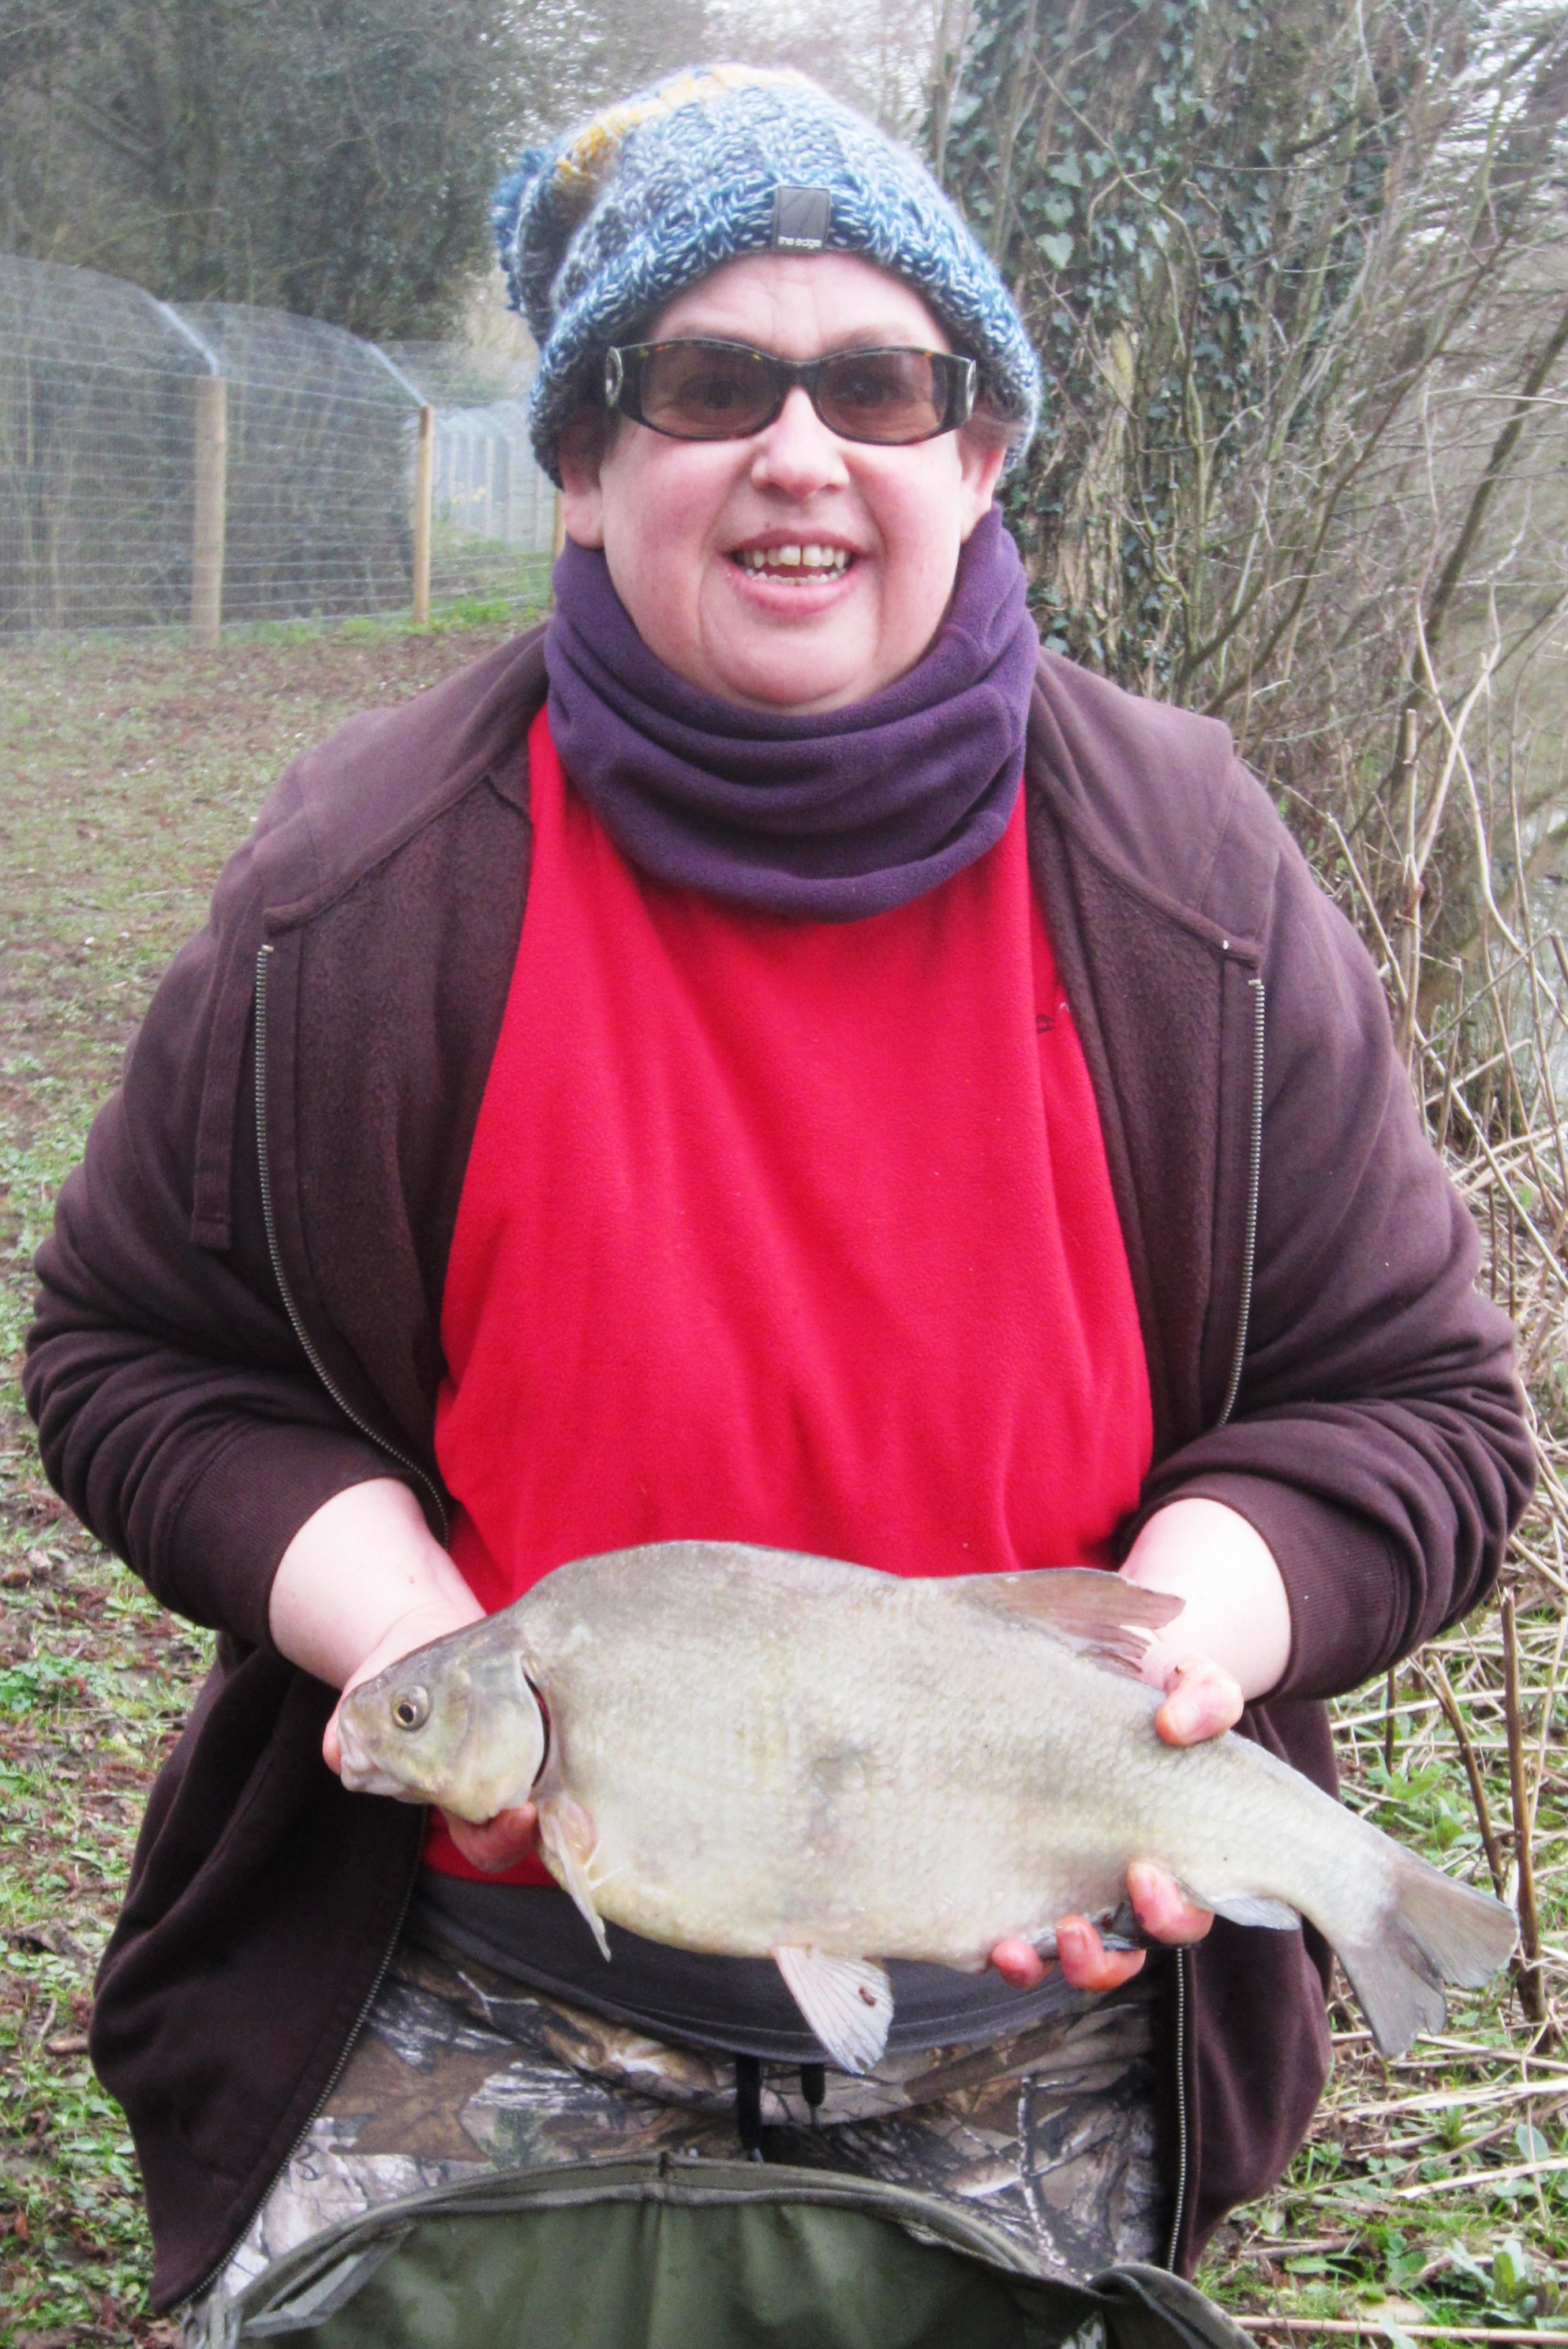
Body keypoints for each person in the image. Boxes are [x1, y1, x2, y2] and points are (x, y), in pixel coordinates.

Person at [24, 60, 1532, 2337]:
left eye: (880, 383)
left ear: (980, 451)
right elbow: (138, 1363)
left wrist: (1187, 1651)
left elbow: (1411, 1406)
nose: (798, 452)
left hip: (1040, 2018)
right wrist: (420, 1649)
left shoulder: (1186, 877)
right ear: (581, 461)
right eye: (710, 381)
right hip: (461, 1992)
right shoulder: (370, 884)